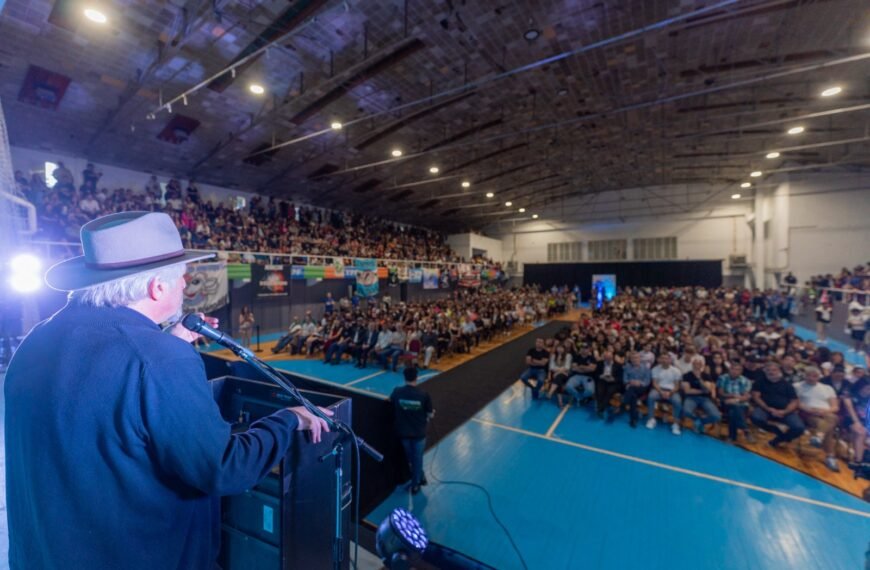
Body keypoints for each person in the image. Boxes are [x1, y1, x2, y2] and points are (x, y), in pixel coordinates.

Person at [4, 212, 331, 570]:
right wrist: (287, 420)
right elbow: (224, 468)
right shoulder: (159, 358)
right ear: (157, 287)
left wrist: (164, 344)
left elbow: (99, 394)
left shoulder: (36, 340)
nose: (185, 284)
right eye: (182, 277)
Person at [390, 366, 434, 495]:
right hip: (418, 434)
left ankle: (420, 476)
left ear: (404, 378)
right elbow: (430, 414)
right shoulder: (423, 395)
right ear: (416, 377)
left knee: (410, 459)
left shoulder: (397, 392)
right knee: (417, 459)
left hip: (404, 433)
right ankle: (416, 484)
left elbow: (390, 401)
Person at [795, 366, 840, 472]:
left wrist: (824, 411)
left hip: (825, 413)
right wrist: (809, 409)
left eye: (814, 376)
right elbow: (796, 402)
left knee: (832, 417)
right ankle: (829, 457)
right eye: (809, 375)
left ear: (819, 377)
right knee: (829, 426)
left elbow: (835, 407)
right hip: (808, 413)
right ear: (805, 376)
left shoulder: (828, 388)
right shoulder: (797, 386)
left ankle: (818, 437)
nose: (811, 378)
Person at [751, 363, 805, 448]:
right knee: (756, 418)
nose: (771, 372)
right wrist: (767, 408)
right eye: (768, 370)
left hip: (785, 411)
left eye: (774, 370)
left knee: (799, 427)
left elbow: (794, 401)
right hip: (765, 409)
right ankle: (776, 429)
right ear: (765, 371)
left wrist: (785, 411)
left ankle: (777, 441)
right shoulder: (759, 382)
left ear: (779, 371)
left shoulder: (787, 384)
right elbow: (756, 397)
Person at [681, 356, 722, 434]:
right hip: (691, 398)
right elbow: (688, 391)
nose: (697, 365)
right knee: (686, 411)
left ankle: (700, 422)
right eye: (695, 363)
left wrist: (700, 379)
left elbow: (708, 389)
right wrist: (702, 391)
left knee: (716, 416)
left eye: (699, 363)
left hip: (705, 399)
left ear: (702, 365)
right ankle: (698, 420)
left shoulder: (706, 376)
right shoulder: (686, 375)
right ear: (692, 364)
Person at [717, 362, 754, 442]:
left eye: (738, 370)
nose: (735, 371)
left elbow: (747, 396)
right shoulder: (723, 378)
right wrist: (733, 395)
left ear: (741, 371)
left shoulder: (745, 381)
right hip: (726, 402)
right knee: (734, 408)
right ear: (729, 369)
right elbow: (721, 393)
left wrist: (736, 400)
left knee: (733, 411)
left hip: (741, 404)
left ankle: (732, 437)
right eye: (733, 369)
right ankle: (745, 429)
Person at [647, 354, 683, 434]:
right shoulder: (655, 369)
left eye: (666, 358)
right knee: (651, 397)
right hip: (659, 389)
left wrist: (670, 393)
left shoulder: (676, 371)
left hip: (672, 391)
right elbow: (655, 383)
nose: (664, 360)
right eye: (662, 358)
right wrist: (661, 392)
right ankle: (651, 419)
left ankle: (676, 424)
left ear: (670, 360)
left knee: (677, 401)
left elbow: (677, 386)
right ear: (660, 360)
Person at [622, 352, 651, 427]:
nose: (635, 359)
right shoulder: (627, 367)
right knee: (633, 396)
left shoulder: (646, 368)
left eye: (636, 358)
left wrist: (639, 383)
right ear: (630, 359)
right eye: (633, 358)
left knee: (632, 390)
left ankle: (623, 404)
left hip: (641, 388)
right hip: (631, 387)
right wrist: (630, 382)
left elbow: (647, 381)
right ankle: (633, 419)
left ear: (640, 359)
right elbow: (625, 379)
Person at [594, 350, 624, 419]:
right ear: (604, 357)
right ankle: (601, 408)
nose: (607, 359)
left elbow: (620, 378)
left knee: (609, 392)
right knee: (599, 391)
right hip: (602, 380)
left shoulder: (618, 365)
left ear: (612, 357)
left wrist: (613, 379)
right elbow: (595, 374)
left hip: (613, 382)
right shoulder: (600, 363)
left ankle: (600, 409)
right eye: (606, 357)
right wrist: (601, 376)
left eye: (609, 357)